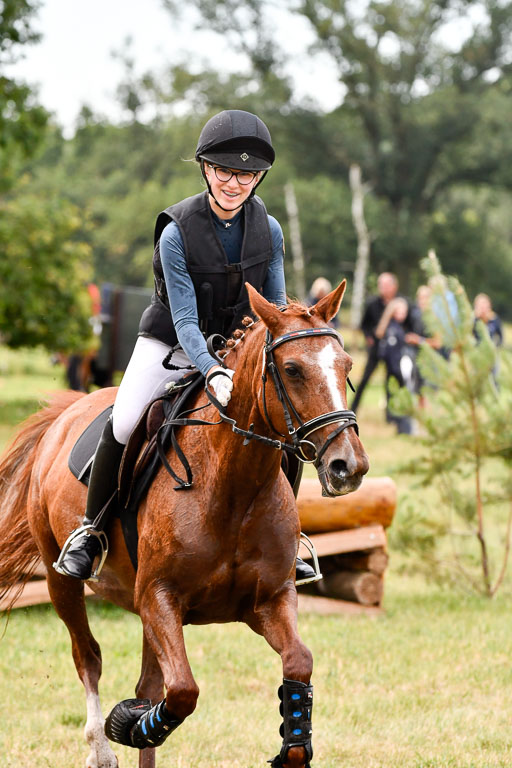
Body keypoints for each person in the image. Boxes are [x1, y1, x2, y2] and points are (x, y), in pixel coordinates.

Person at [53, 109, 317, 585]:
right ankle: (91, 532)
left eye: (247, 174)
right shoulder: (176, 231)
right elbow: (185, 320)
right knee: (128, 417)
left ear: (258, 178)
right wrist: (212, 370)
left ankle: (291, 538)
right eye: (225, 171)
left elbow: (275, 309)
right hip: (170, 344)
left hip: (240, 351)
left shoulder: (270, 230)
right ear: (205, 169)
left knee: (286, 421)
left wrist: (265, 355)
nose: (235, 183)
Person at [351, 272, 415, 412]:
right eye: (381, 285)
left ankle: (392, 413)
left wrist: (404, 338)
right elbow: (365, 325)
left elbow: (410, 326)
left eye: (385, 285)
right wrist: (369, 338)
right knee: (365, 379)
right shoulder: (372, 303)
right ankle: (353, 409)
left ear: (394, 286)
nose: (382, 288)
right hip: (376, 348)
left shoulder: (404, 303)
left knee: (391, 380)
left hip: (395, 350)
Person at [374, 297, 415, 434]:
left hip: (396, 370)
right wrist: (398, 372)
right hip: (395, 371)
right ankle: (399, 424)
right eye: (400, 311)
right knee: (395, 395)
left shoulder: (398, 327)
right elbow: (389, 354)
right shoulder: (392, 329)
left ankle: (398, 422)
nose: (403, 314)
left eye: (405, 311)